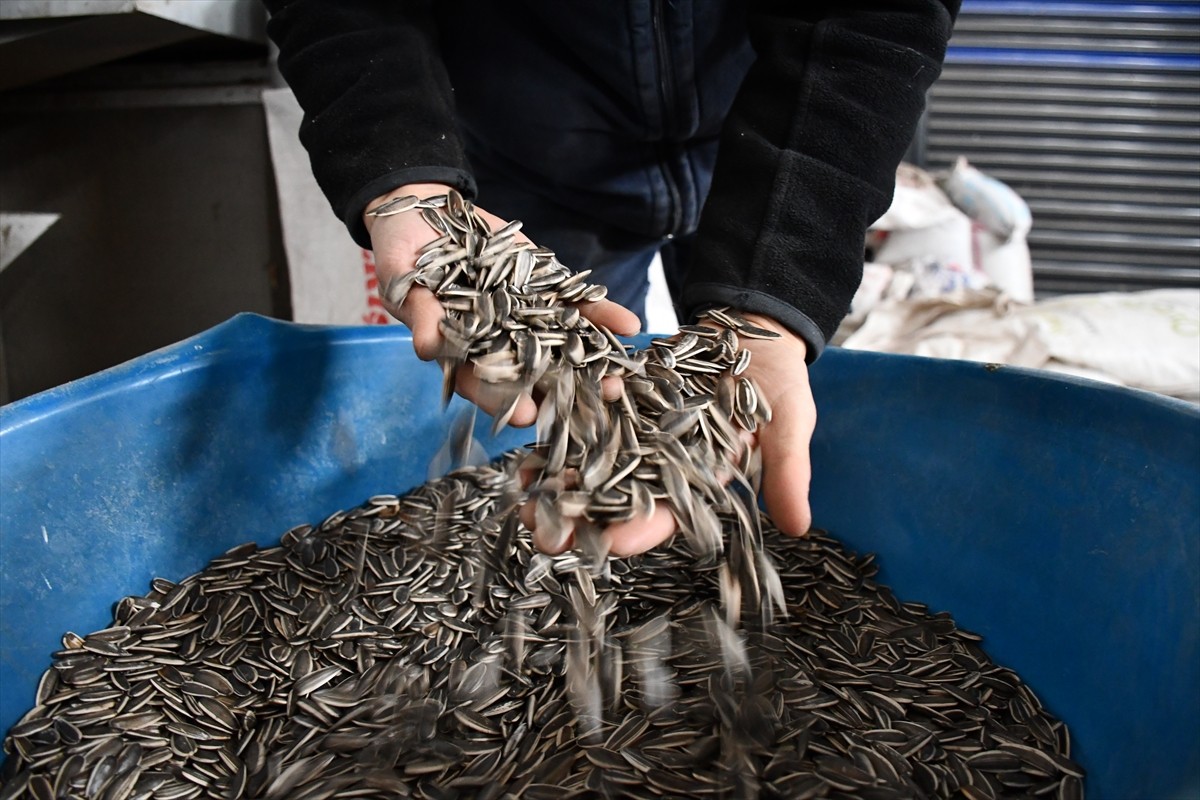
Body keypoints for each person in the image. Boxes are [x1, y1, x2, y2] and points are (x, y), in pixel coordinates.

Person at [263, 0, 960, 556]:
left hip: (767, 128)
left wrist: (773, 299)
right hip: (529, 149)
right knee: (559, 407)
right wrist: (402, 173)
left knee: (744, 410)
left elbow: (869, 21)